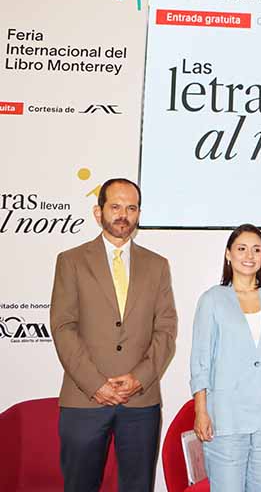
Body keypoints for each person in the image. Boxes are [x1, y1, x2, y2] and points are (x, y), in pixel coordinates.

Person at [50, 177, 178, 492]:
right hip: (84, 399)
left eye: (131, 208)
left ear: (138, 214)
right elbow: (63, 327)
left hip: (140, 401)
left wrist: (140, 377)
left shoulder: (157, 265)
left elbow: (166, 328)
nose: (123, 215)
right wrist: (95, 384)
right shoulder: (71, 261)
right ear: (99, 212)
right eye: (116, 206)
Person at [190, 224, 261, 491]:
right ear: (228, 254)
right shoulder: (212, 299)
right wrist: (201, 411)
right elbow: (200, 361)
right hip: (226, 416)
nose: (249, 255)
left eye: (256, 249)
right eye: (241, 248)